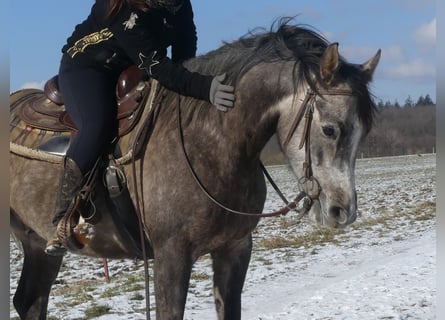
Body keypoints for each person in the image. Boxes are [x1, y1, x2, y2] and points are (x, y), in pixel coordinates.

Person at [45, 0, 236, 256]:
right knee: (96, 126)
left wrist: (190, 77)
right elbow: (155, 64)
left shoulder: (178, 3)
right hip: (87, 68)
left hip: (131, 65)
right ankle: (63, 217)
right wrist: (204, 87)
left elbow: (185, 43)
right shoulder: (124, 7)